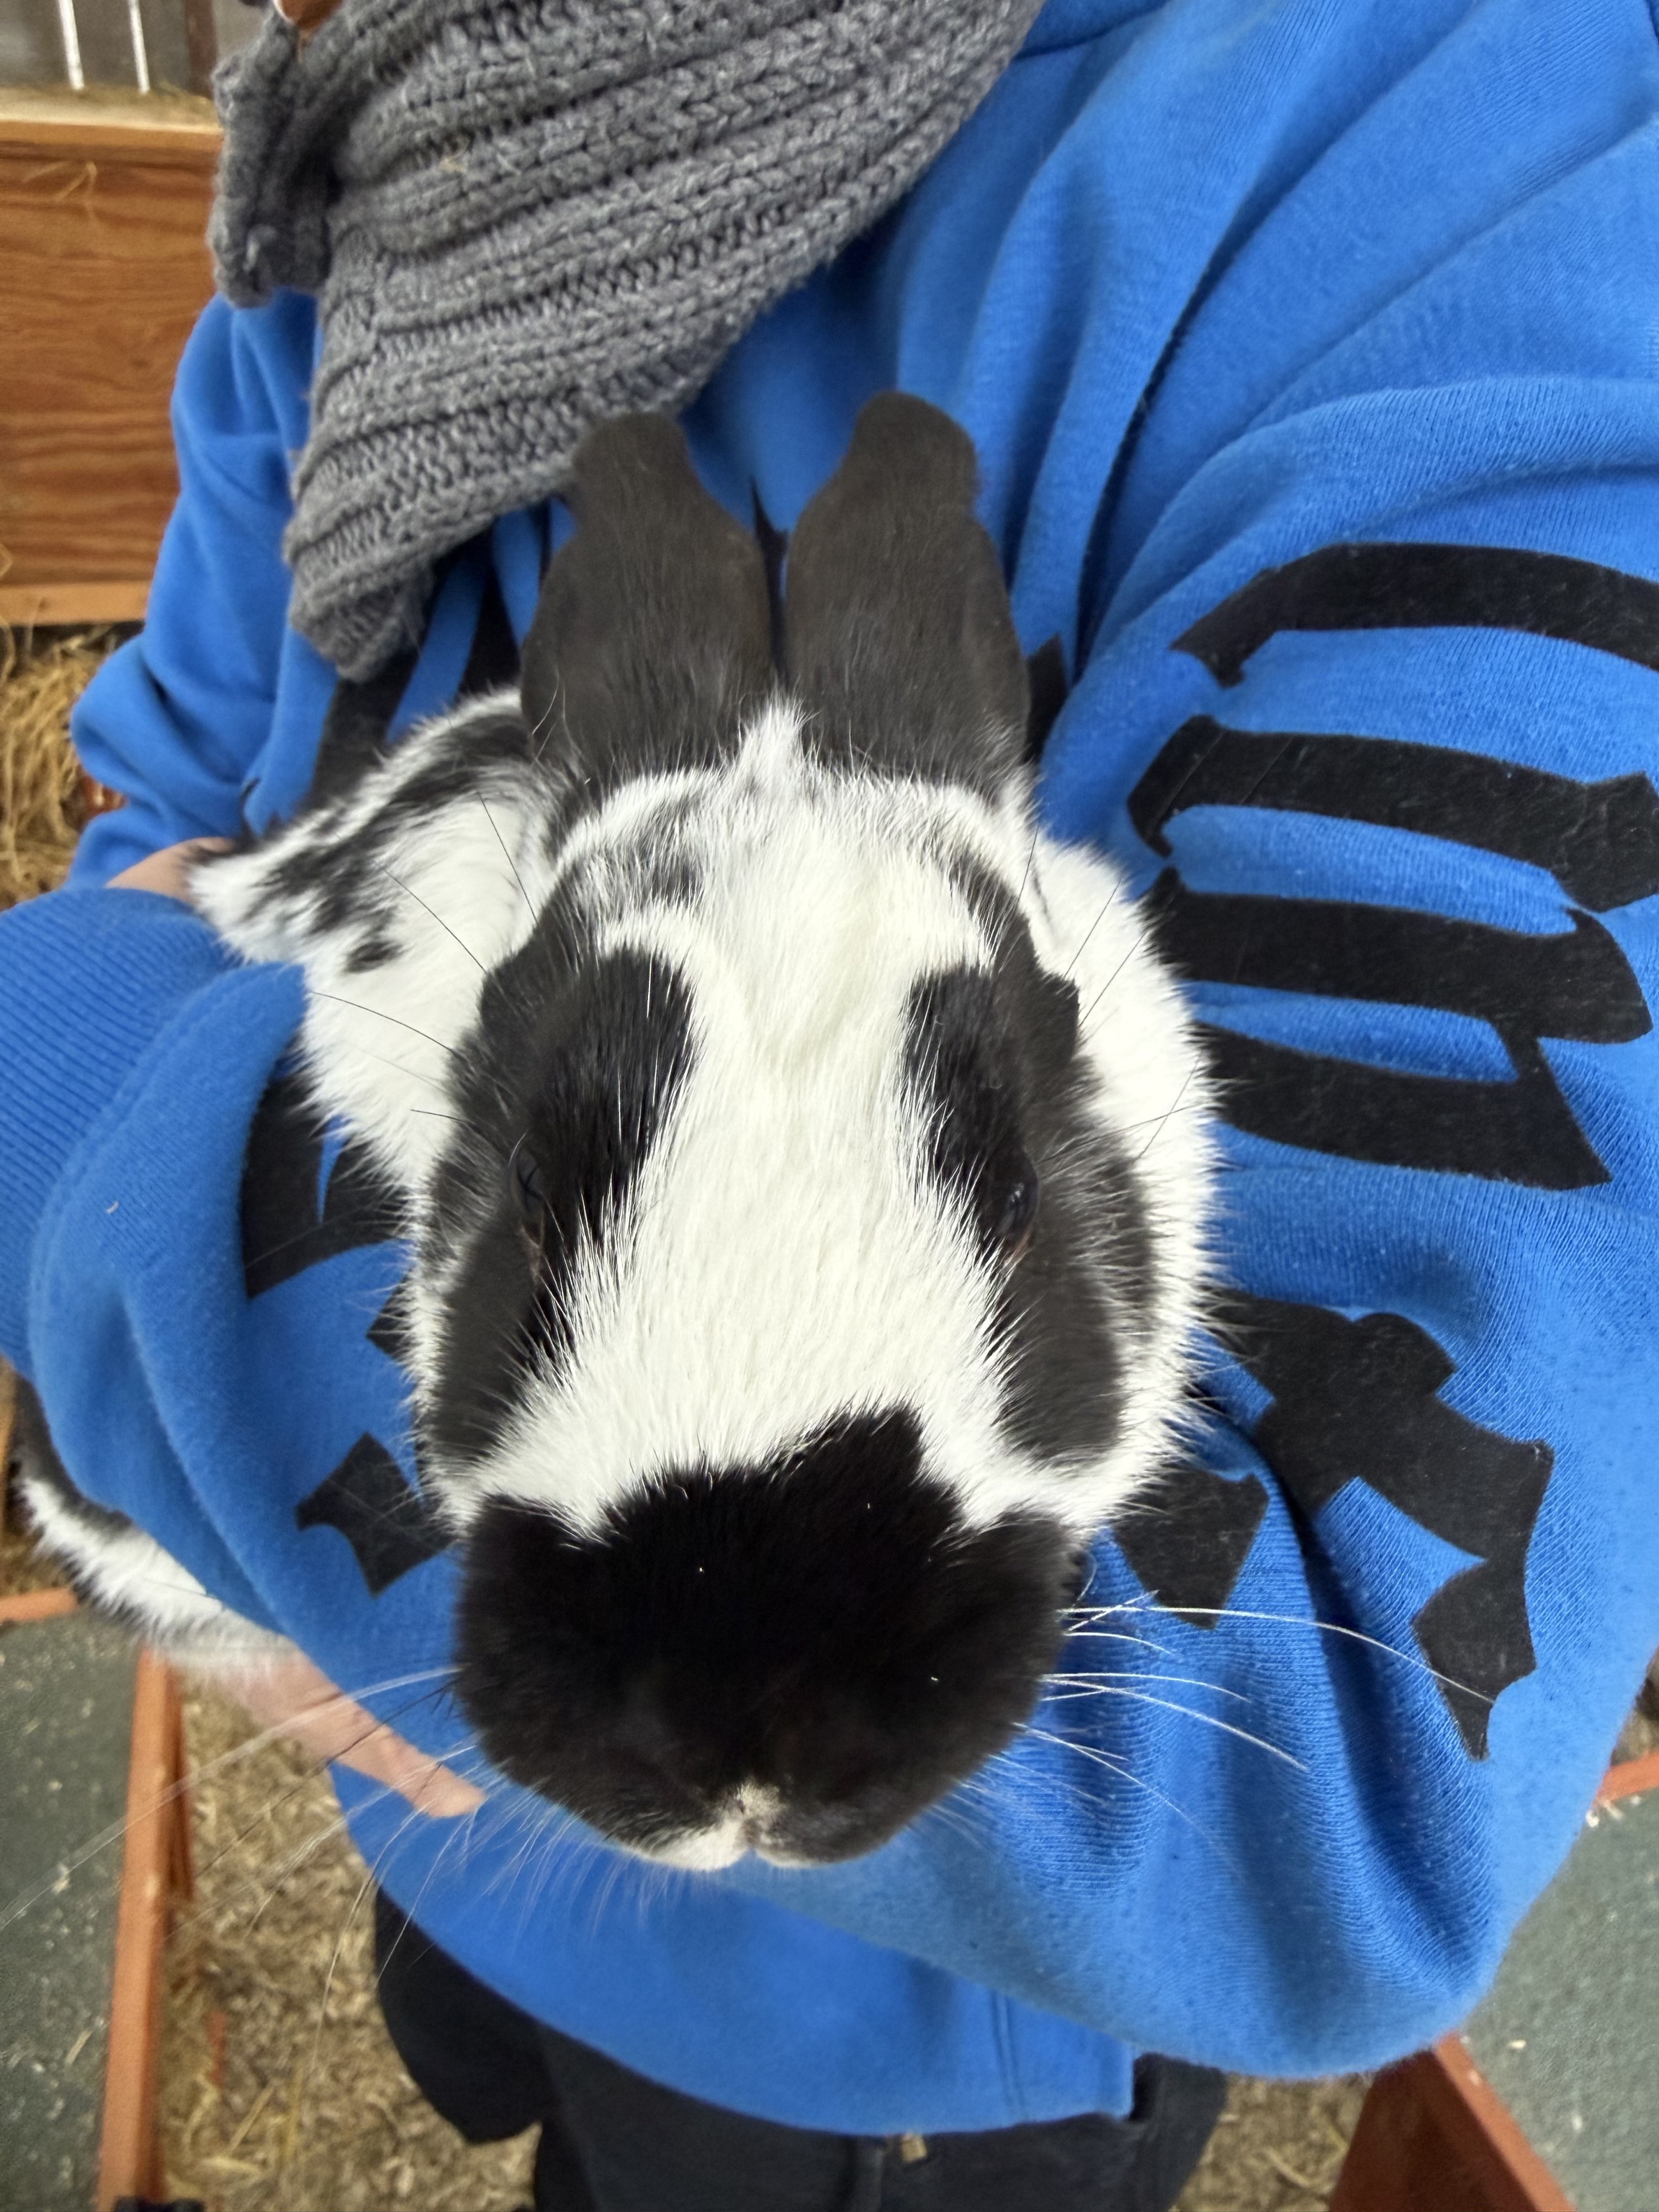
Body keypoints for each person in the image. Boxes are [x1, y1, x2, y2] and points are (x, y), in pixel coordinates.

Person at [5, 0, 1659, 2205]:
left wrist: (85, 1160)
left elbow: (1341, 1790)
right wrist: (241, 1485)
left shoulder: (1502, 204)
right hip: (444, 1813)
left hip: (881, 2019)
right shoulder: (374, 149)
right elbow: (182, 793)